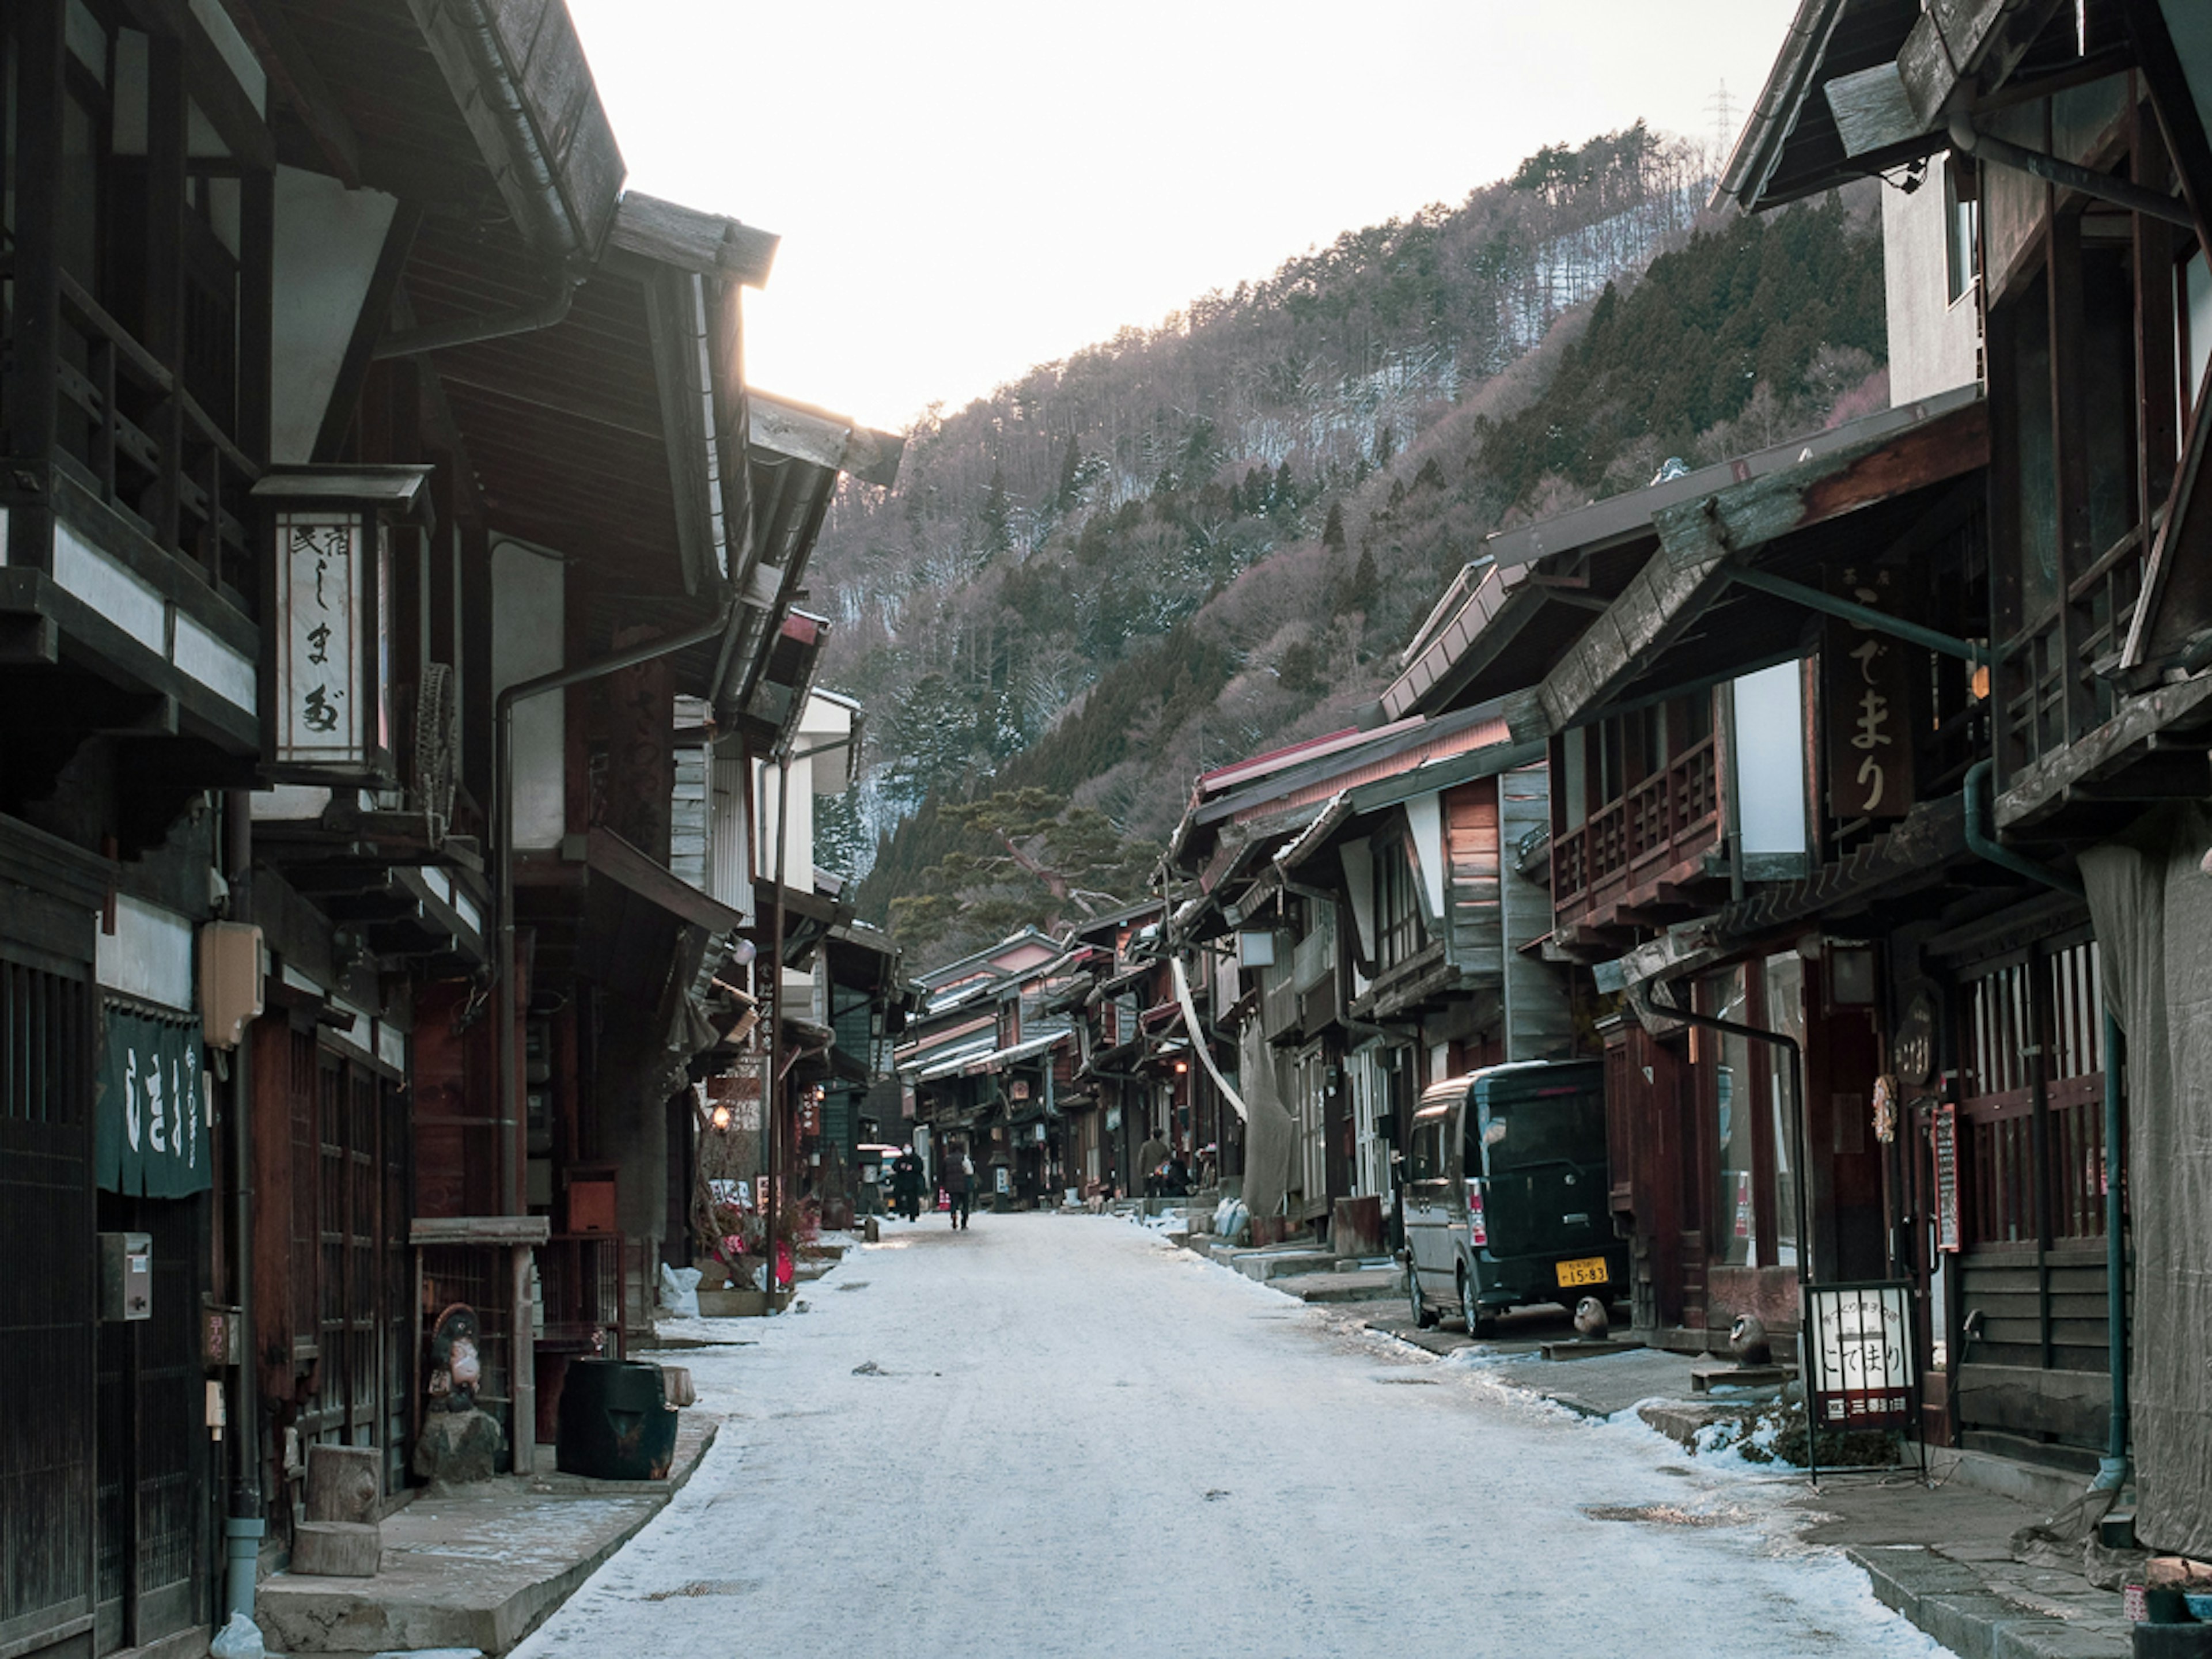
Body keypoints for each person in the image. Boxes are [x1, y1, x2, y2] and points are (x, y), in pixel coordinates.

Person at [942, 1145, 974, 1230]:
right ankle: (964, 1223)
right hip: (963, 1185)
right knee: (965, 1204)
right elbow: (970, 1171)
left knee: (954, 1204)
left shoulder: (947, 1160)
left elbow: (943, 1173)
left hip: (951, 1186)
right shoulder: (964, 1158)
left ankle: (953, 1216)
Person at [889, 1146, 924, 1222]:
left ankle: (913, 1215)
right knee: (899, 1197)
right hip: (902, 1182)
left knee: (912, 1199)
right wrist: (901, 1167)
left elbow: (920, 1168)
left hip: (913, 1183)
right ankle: (902, 1211)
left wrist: (912, 1168)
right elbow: (894, 1166)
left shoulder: (916, 1159)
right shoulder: (900, 1159)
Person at [1137, 1124, 1171, 1199]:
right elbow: (1166, 1162)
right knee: (1161, 1190)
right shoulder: (1163, 1147)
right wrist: (1165, 1173)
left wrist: (1141, 1172)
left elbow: (1142, 1159)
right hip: (1159, 1172)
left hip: (1148, 1172)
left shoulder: (1145, 1146)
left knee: (1149, 1192)